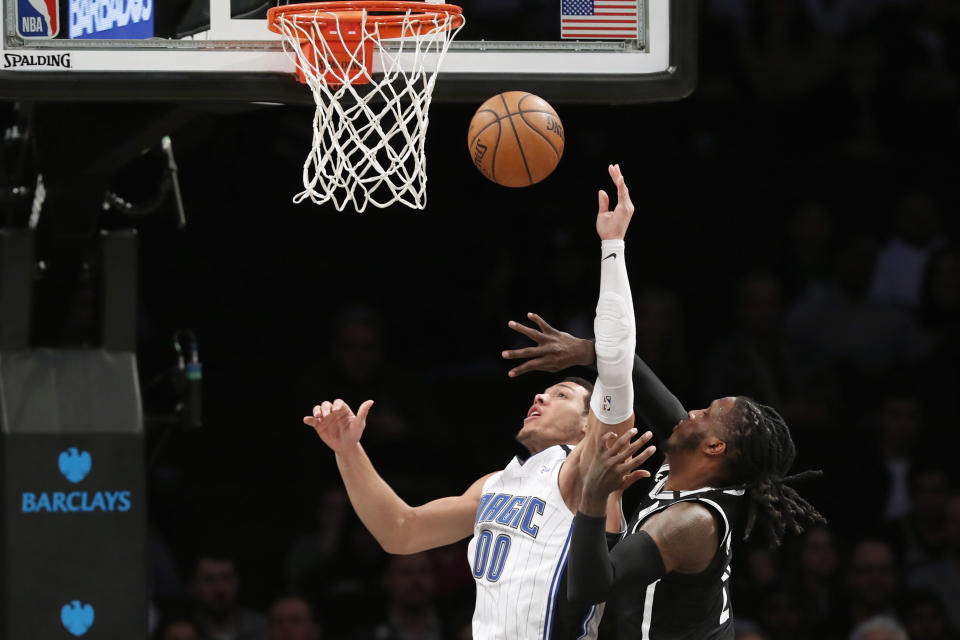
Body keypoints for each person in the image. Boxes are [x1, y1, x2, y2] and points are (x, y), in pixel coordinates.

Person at [303, 164, 654, 640]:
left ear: (590, 425)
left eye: (562, 393)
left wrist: (612, 247)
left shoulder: (586, 469)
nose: (541, 394)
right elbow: (400, 530)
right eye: (545, 390)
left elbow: (616, 365)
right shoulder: (495, 484)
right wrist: (348, 450)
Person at [501, 307, 824, 636]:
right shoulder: (689, 460)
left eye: (706, 414)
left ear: (713, 447)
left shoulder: (689, 522)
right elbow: (639, 378)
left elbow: (590, 589)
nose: (692, 412)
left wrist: (595, 497)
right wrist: (587, 351)